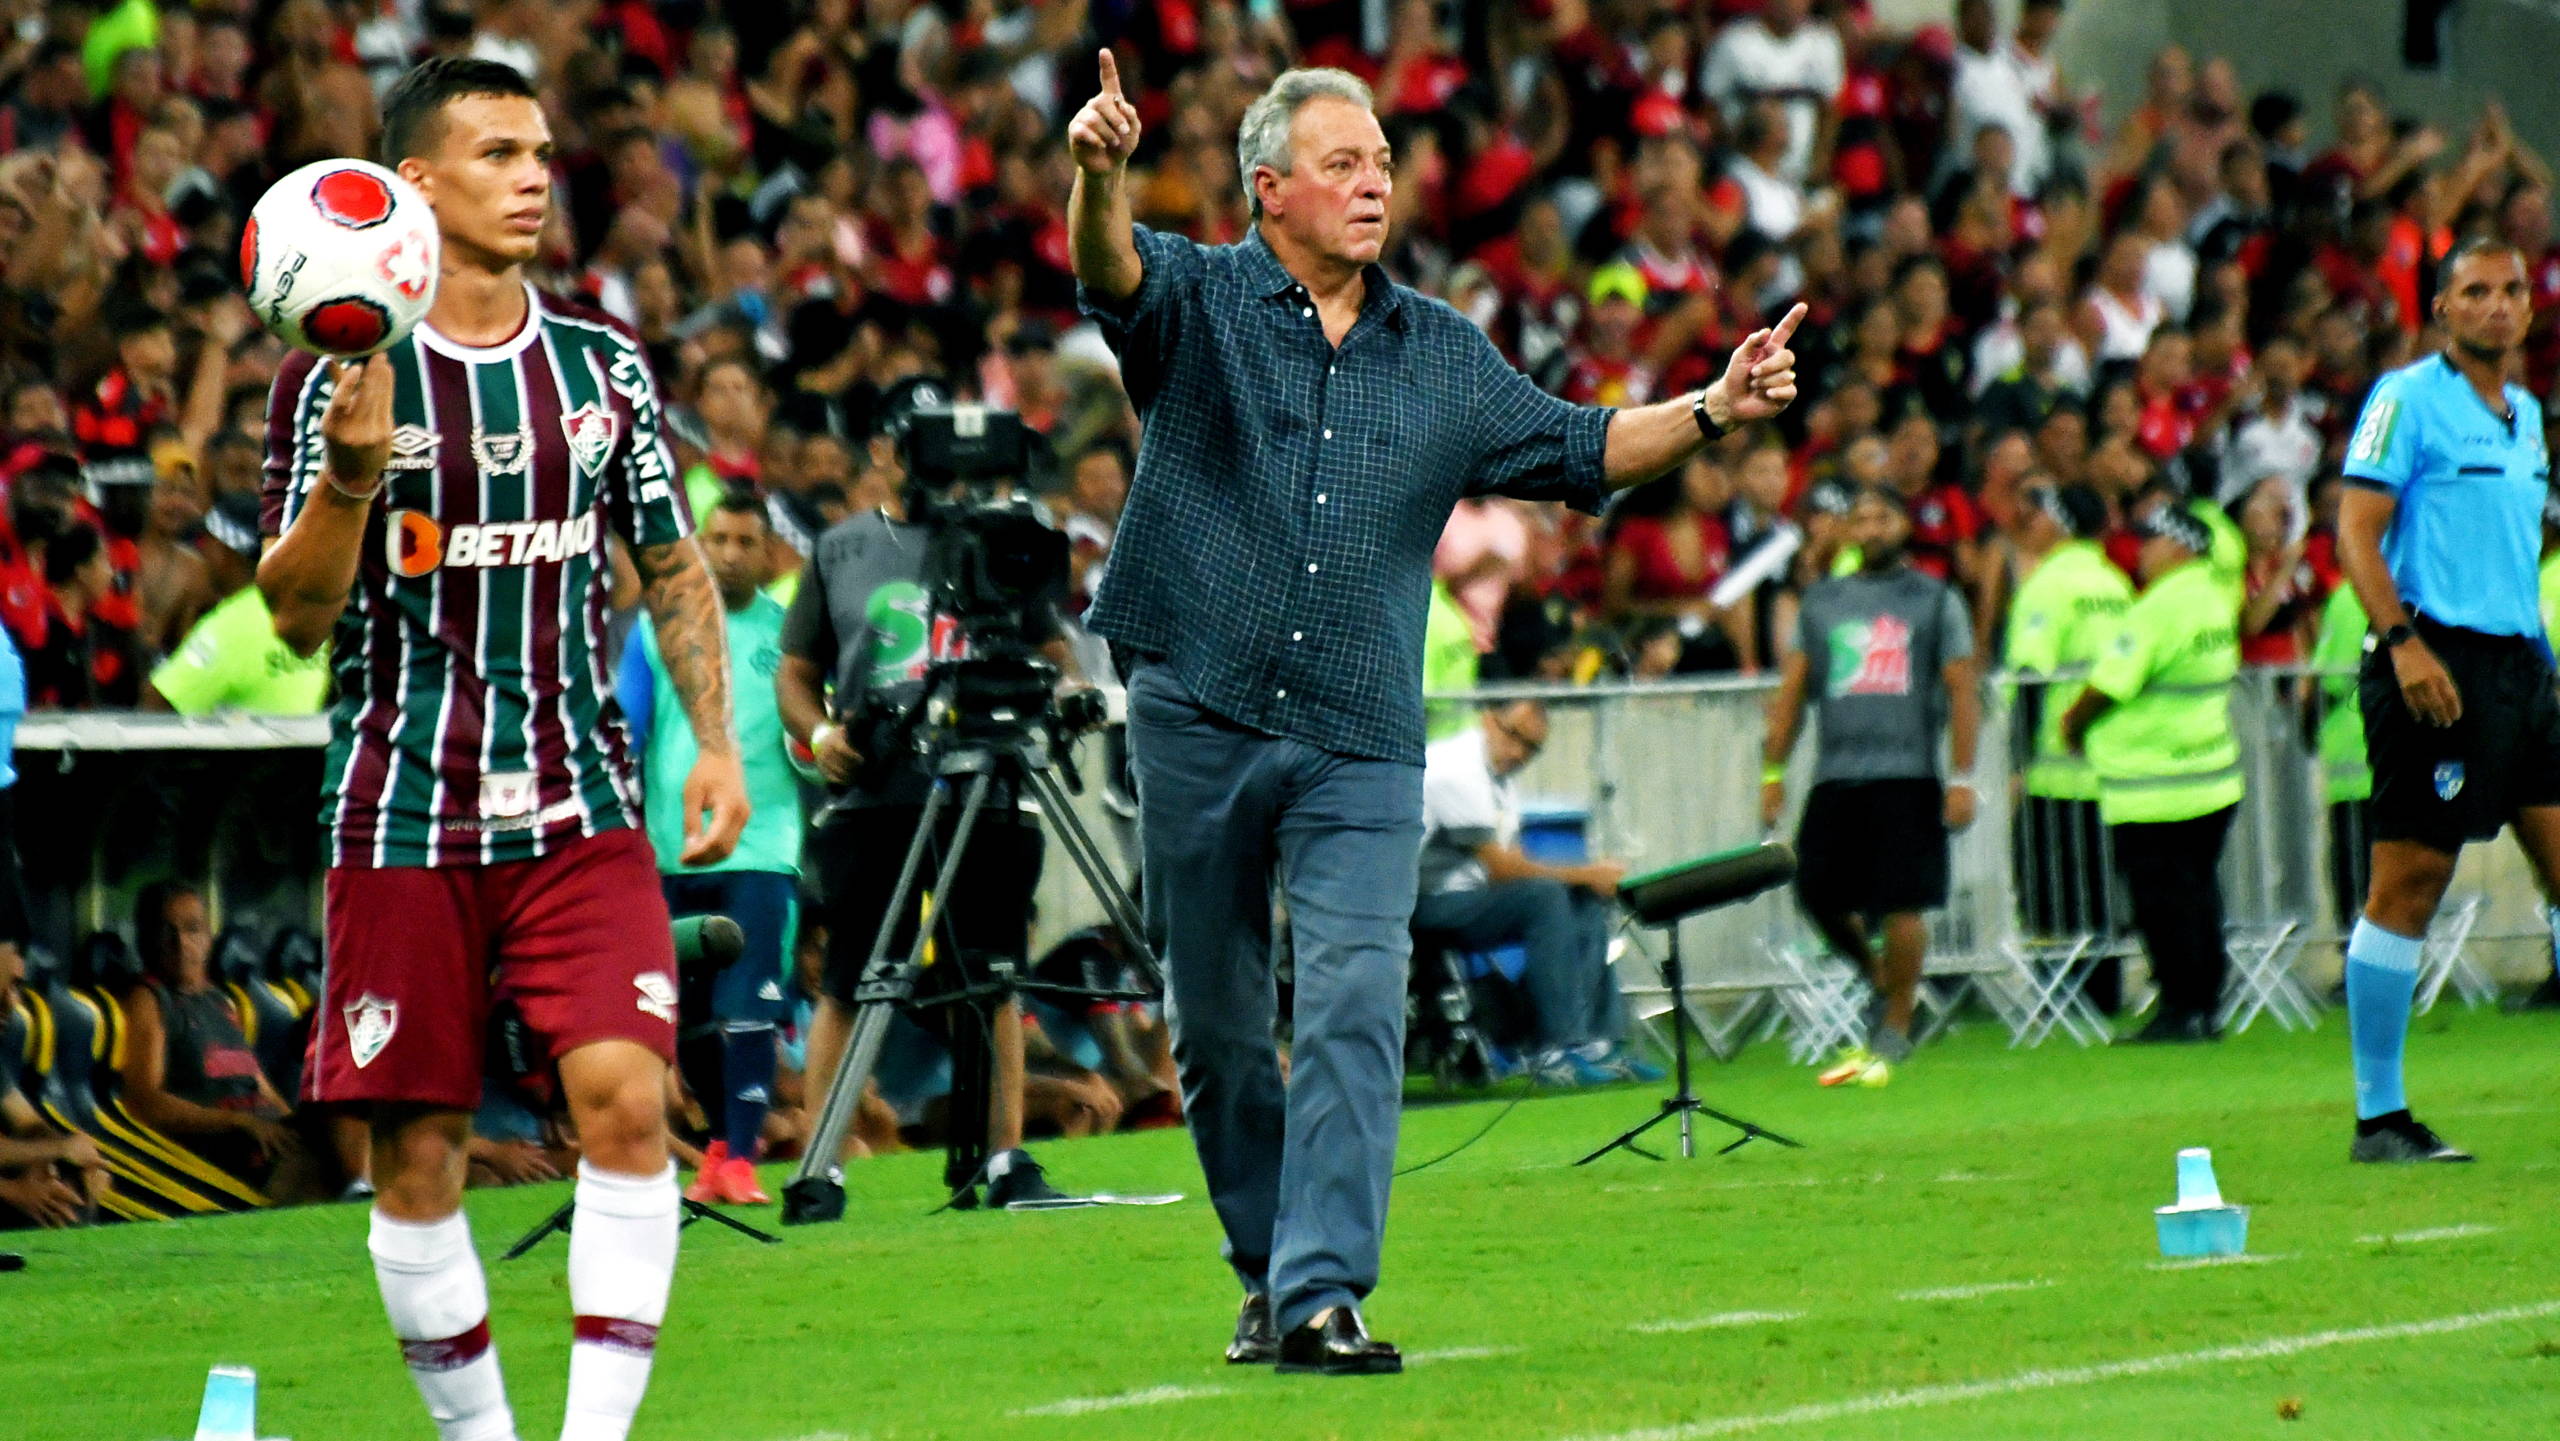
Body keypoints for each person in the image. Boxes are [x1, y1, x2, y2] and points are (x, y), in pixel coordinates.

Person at [1066, 57, 1802, 1373]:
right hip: (1196, 704)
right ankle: (1266, 1266)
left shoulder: (1440, 353)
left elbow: (1577, 448)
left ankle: (1322, 1289)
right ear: (1268, 188)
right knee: (1221, 1022)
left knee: (1355, 993)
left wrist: (1710, 407)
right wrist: (1097, 173)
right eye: (1342, 164)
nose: (1373, 185)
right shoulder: (1199, 298)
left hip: (1359, 728)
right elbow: (1106, 270)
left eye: (1385, 165)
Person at [254, 58, 749, 1441]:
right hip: (403, 814)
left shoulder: (601, 369)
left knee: (627, 1103)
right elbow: (294, 624)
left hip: (578, 805)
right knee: (416, 1162)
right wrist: (354, 478)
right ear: (412, 186)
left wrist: (714, 743)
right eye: (497, 153)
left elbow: (670, 558)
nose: (535, 174)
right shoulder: (344, 377)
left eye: (540, 151)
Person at [775, 405, 1082, 1213]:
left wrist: (1066, 690)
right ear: (886, 452)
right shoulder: (840, 547)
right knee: (849, 974)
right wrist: (819, 732)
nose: (954, 485)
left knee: (995, 975)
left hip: (987, 779)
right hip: (876, 787)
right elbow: (796, 667)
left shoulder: (1001, 537)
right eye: (936, 463)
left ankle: (1007, 1156)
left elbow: (1053, 645)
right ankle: (821, 1161)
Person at [2329, 238, 2556, 1163]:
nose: (2496, 306)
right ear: (2441, 309)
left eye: (2510, 291)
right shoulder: (2405, 399)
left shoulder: (2528, 415)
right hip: (2434, 662)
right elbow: (2355, 530)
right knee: (2410, 885)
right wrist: (2403, 642)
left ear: (2529, 311)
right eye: (2475, 292)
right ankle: (2380, 1115)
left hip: (2520, 669)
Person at [1760, 488, 1980, 1089]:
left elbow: (1963, 687)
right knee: (1815, 892)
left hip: (1909, 773)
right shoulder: (1823, 601)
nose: (1871, 527)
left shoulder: (1935, 599)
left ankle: (1898, 1024)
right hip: (1837, 772)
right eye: (1861, 518)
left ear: (1905, 525)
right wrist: (1772, 772)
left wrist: (1963, 776)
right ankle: (1879, 977)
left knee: (1904, 902)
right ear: (1848, 531)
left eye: (1882, 516)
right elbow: (1793, 692)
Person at [616, 493, 800, 1209]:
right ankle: (721, 1147)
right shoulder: (654, 634)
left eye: (744, 541)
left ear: (768, 553)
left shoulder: (787, 636)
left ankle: (743, 1159)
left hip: (761, 849)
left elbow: (807, 738)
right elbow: (630, 723)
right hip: (672, 852)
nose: (727, 552)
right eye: (716, 537)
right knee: (684, 1014)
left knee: (748, 1006)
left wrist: (814, 753)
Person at [2063, 502, 2243, 1043]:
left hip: (2153, 786)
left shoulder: (2158, 608)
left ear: (2180, 546)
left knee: (2162, 904)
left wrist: (2072, 723)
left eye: (2152, 541)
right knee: (2200, 897)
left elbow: (2112, 681)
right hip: (2210, 775)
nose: (2142, 551)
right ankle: (2205, 1006)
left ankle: (2179, 1009)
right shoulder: (2213, 599)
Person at [1413, 701, 1657, 1084]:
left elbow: (1510, 861)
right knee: (1544, 897)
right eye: (1514, 737)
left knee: (1581, 898)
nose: (1519, 753)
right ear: (1489, 721)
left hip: (1458, 897)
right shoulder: (1454, 770)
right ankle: (1556, 1045)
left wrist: (1583, 881)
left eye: (1531, 748)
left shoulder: (1495, 775)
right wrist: (1587, 872)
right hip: (1415, 905)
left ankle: (1598, 1041)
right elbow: (1502, 869)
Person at [116, 880, 314, 1199]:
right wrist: (238, 1123)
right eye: (167, 932)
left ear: (209, 937)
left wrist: (295, 1127)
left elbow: (259, 1086)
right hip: (221, 1151)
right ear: (146, 940)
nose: (181, 944)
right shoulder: (149, 999)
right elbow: (144, 1101)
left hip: (266, 1139)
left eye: (193, 929)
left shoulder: (220, 1001)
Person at [2003, 484, 2131, 977]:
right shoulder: (2115, 584)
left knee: (2048, 896)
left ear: (2057, 521)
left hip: (2054, 772)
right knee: (2101, 895)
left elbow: (2032, 678)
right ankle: (2106, 990)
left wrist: (2018, 764)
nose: (2027, 525)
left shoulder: (2049, 585)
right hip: (2110, 766)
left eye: (2035, 515)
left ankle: (2062, 997)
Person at [143, 582, 330, 713]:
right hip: (310, 762)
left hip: (248, 765)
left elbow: (160, 701)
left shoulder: (232, 623)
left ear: (225, 550)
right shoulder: (315, 607)